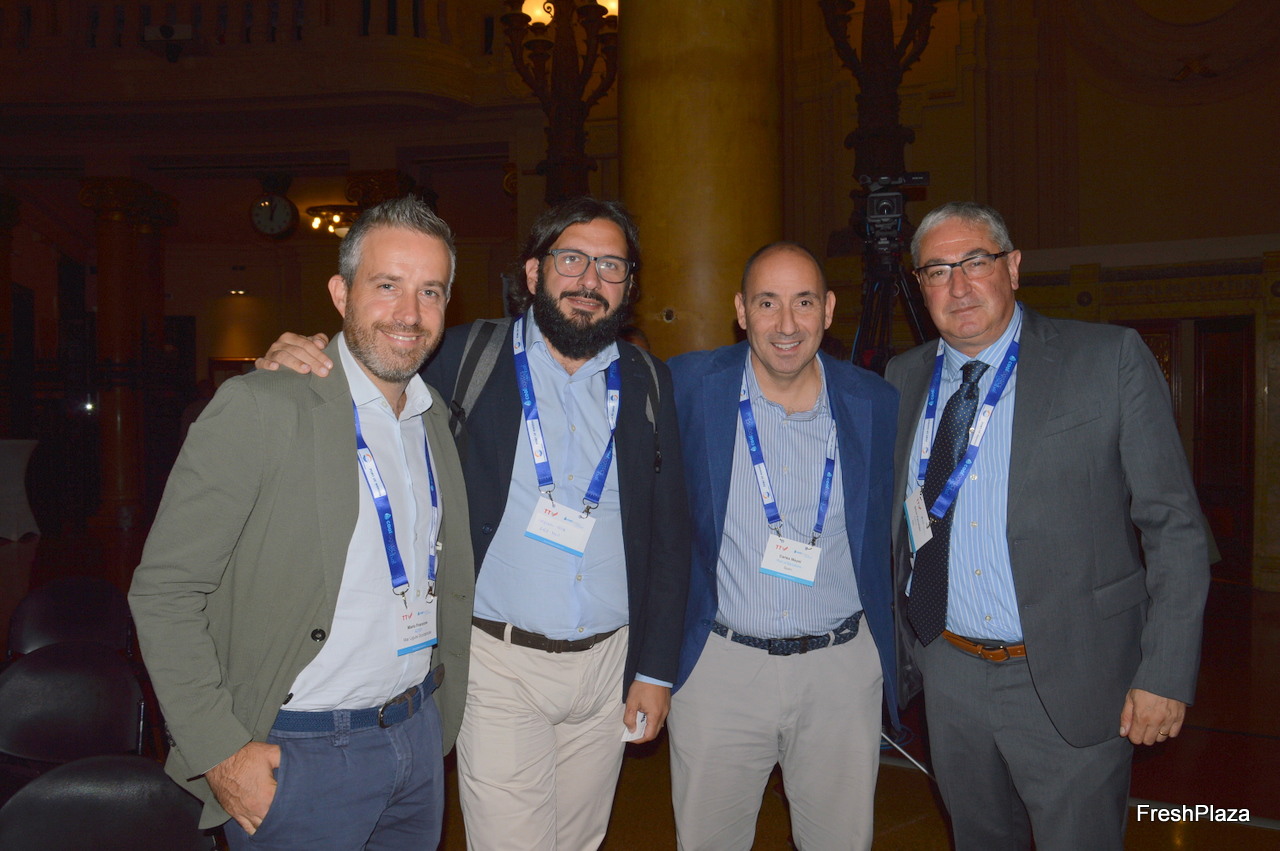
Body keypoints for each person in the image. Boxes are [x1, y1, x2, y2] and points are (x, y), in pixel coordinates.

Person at [256, 196, 690, 851]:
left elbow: (670, 535)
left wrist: (654, 671)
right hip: (497, 660)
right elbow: (374, 356)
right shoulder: (465, 356)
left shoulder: (648, 380)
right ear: (535, 272)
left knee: (580, 840)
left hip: (608, 666)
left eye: (611, 266)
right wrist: (303, 351)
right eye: (571, 259)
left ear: (628, 285)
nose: (590, 280)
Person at [128, 196, 474, 849]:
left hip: (417, 736)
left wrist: (433, 724)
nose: (409, 312)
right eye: (387, 285)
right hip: (300, 754)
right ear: (341, 293)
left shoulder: (432, 420)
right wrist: (219, 751)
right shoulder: (261, 406)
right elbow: (165, 591)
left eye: (430, 291)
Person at [886, 201, 1210, 850]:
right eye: (937, 270)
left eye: (975, 262)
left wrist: (1165, 672)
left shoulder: (1106, 359)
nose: (958, 285)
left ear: (1013, 267)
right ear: (919, 287)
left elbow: (1174, 526)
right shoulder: (903, 376)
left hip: (1073, 674)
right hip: (949, 672)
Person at [667, 242, 899, 850]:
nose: (787, 324)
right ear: (741, 310)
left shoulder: (875, 401)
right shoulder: (687, 386)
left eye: (803, 302)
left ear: (828, 309)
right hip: (720, 669)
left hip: (839, 671)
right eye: (768, 303)